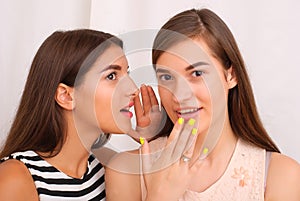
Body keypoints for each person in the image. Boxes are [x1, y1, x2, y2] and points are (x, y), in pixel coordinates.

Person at [105, 8, 300, 201]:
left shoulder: (280, 177)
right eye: (166, 77)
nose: (180, 95)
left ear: (231, 75)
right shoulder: (126, 171)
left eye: (197, 74)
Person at [0, 29, 141, 200]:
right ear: (66, 96)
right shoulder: (15, 179)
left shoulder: (107, 168)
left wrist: (152, 140)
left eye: (128, 73)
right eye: (111, 76)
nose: (133, 89)